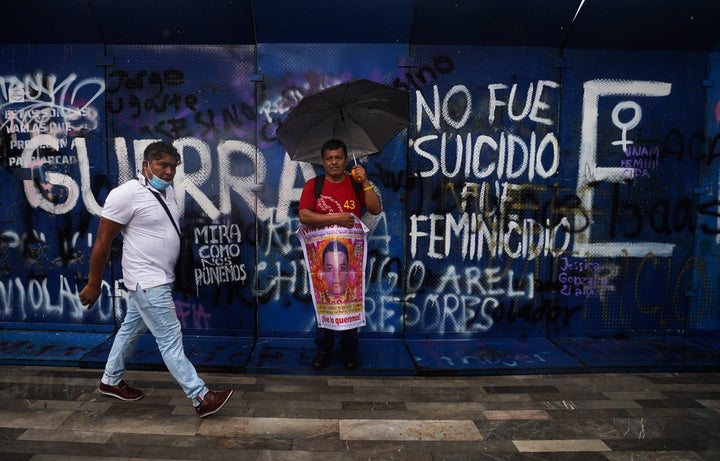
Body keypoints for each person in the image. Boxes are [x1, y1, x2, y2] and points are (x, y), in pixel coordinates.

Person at [79, 140, 233, 418]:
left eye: (173, 166)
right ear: (146, 165)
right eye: (162, 165)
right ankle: (201, 396)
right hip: (147, 282)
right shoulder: (125, 194)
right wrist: (93, 283)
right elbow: (103, 240)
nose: (168, 171)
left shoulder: (167, 193)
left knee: (130, 329)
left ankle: (110, 380)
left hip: (159, 278)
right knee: (170, 339)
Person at [298, 138, 382, 371]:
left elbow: (375, 208)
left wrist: (364, 181)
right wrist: (336, 218)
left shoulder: (355, 183)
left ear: (346, 160)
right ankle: (323, 351)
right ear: (323, 162)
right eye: (329, 158)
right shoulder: (313, 186)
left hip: (350, 259)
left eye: (338, 157)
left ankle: (349, 352)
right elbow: (304, 216)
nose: (334, 162)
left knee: (349, 303)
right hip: (322, 260)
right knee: (324, 304)